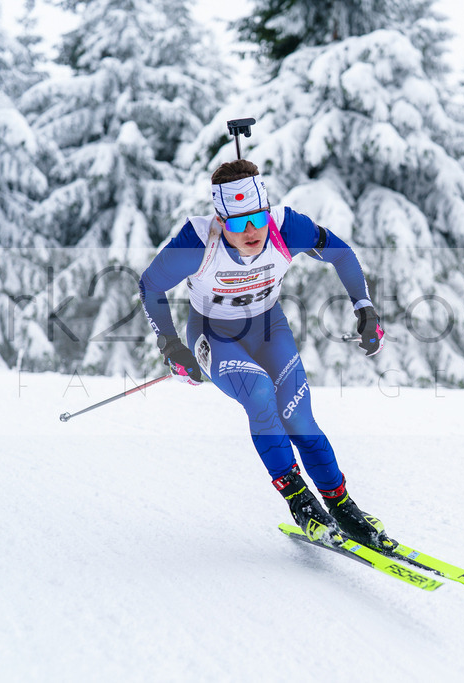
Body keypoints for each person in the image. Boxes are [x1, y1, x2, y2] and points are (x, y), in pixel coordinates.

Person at [139, 158, 393, 550]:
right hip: (213, 334)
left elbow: (341, 253)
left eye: (258, 218)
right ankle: (301, 502)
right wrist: (170, 345)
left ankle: (341, 505)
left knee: (297, 415)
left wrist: (365, 308)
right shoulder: (197, 243)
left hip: (268, 328)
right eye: (238, 223)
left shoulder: (287, 228)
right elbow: (150, 285)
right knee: (259, 394)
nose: (252, 231)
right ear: (220, 221)